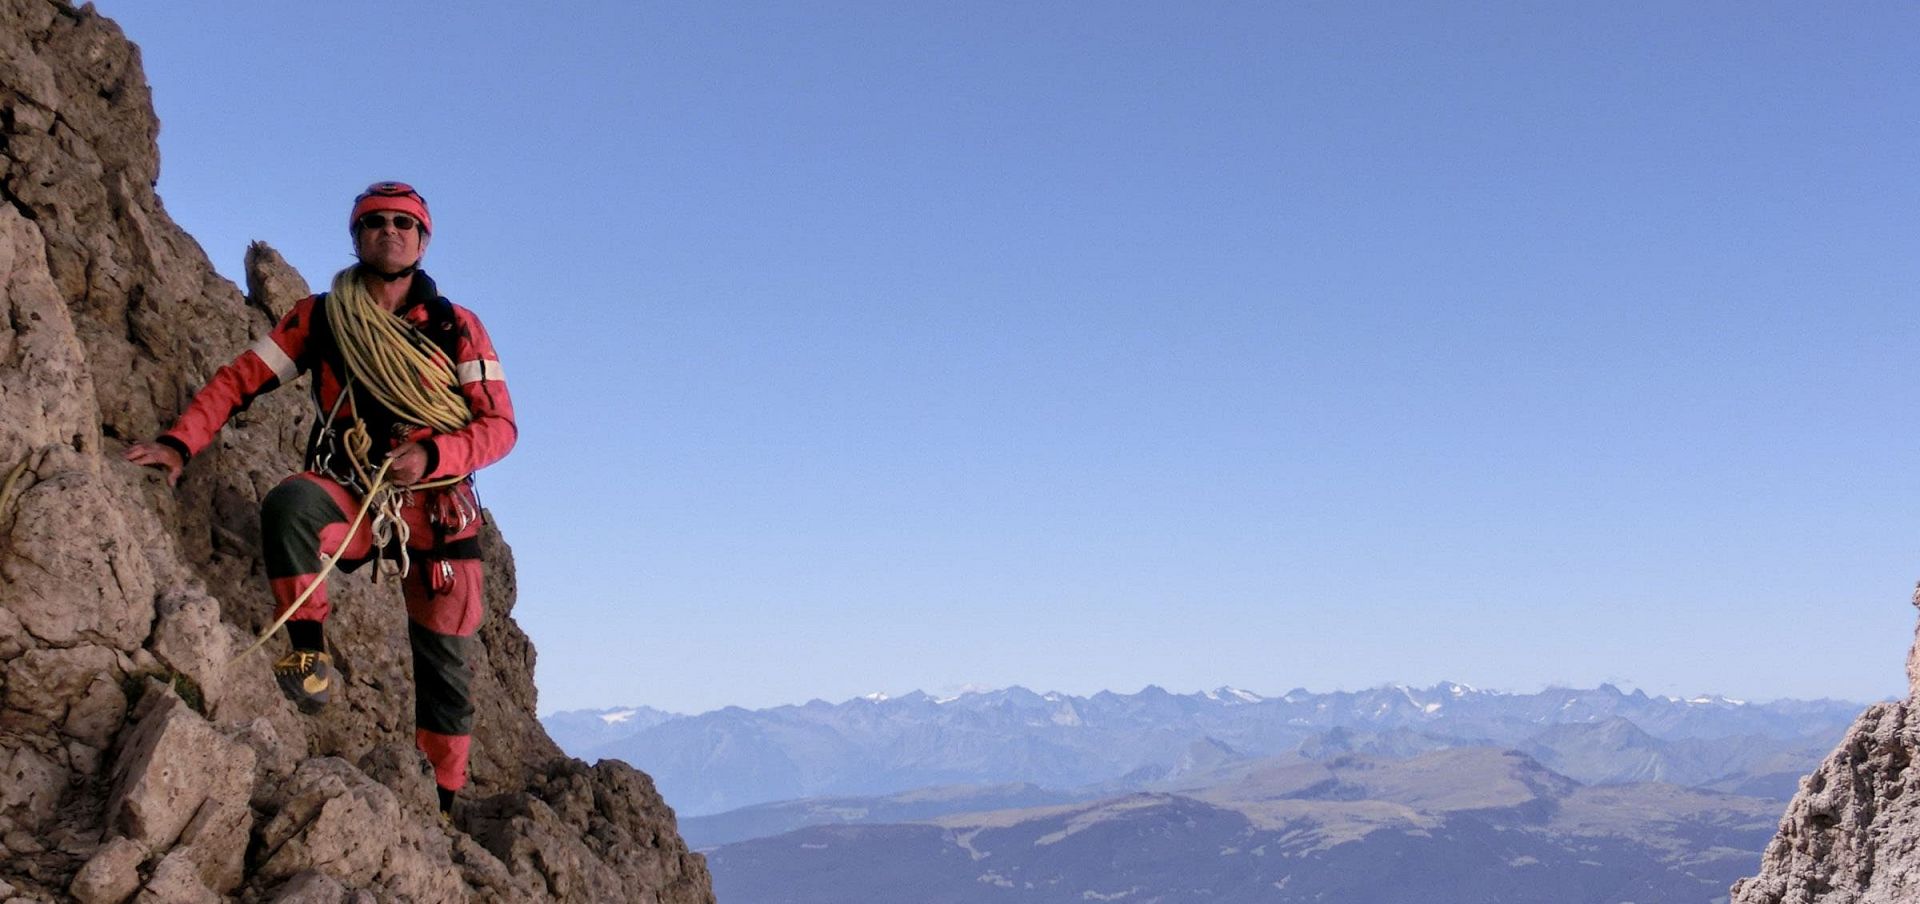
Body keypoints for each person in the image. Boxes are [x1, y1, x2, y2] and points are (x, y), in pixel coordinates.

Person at [124, 182, 516, 819]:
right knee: (292, 506)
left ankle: (440, 805)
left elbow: (500, 427)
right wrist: (178, 443)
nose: (390, 232)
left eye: (403, 223)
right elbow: (238, 382)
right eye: (375, 223)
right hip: (355, 491)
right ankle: (307, 649)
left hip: (438, 512)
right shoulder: (323, 318)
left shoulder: (456, 328)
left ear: (423, 238)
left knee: (446, 672)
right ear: (356, 235)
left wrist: (432, 457)